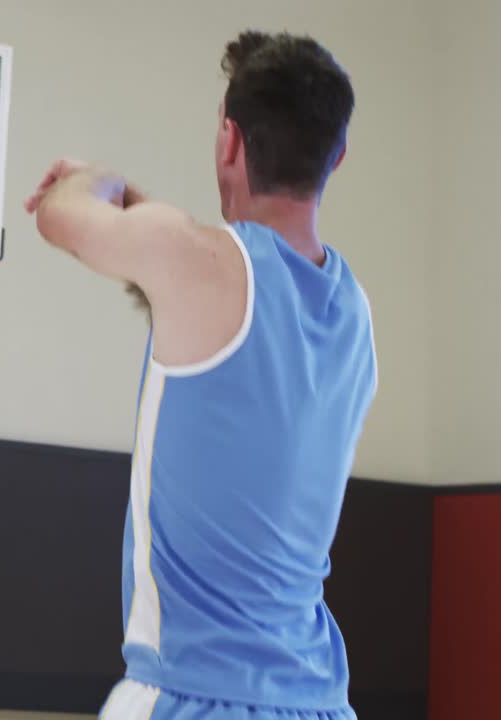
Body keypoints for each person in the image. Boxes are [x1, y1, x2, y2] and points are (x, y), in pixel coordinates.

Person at [25, 31, 377, 719]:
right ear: (336, 155)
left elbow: (64, 218)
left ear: (229, 142)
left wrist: (91, 177)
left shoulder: (198, 266)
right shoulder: (354, 312)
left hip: (189, 698)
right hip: (320, 702)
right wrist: (137, 208)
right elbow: (191, 282)